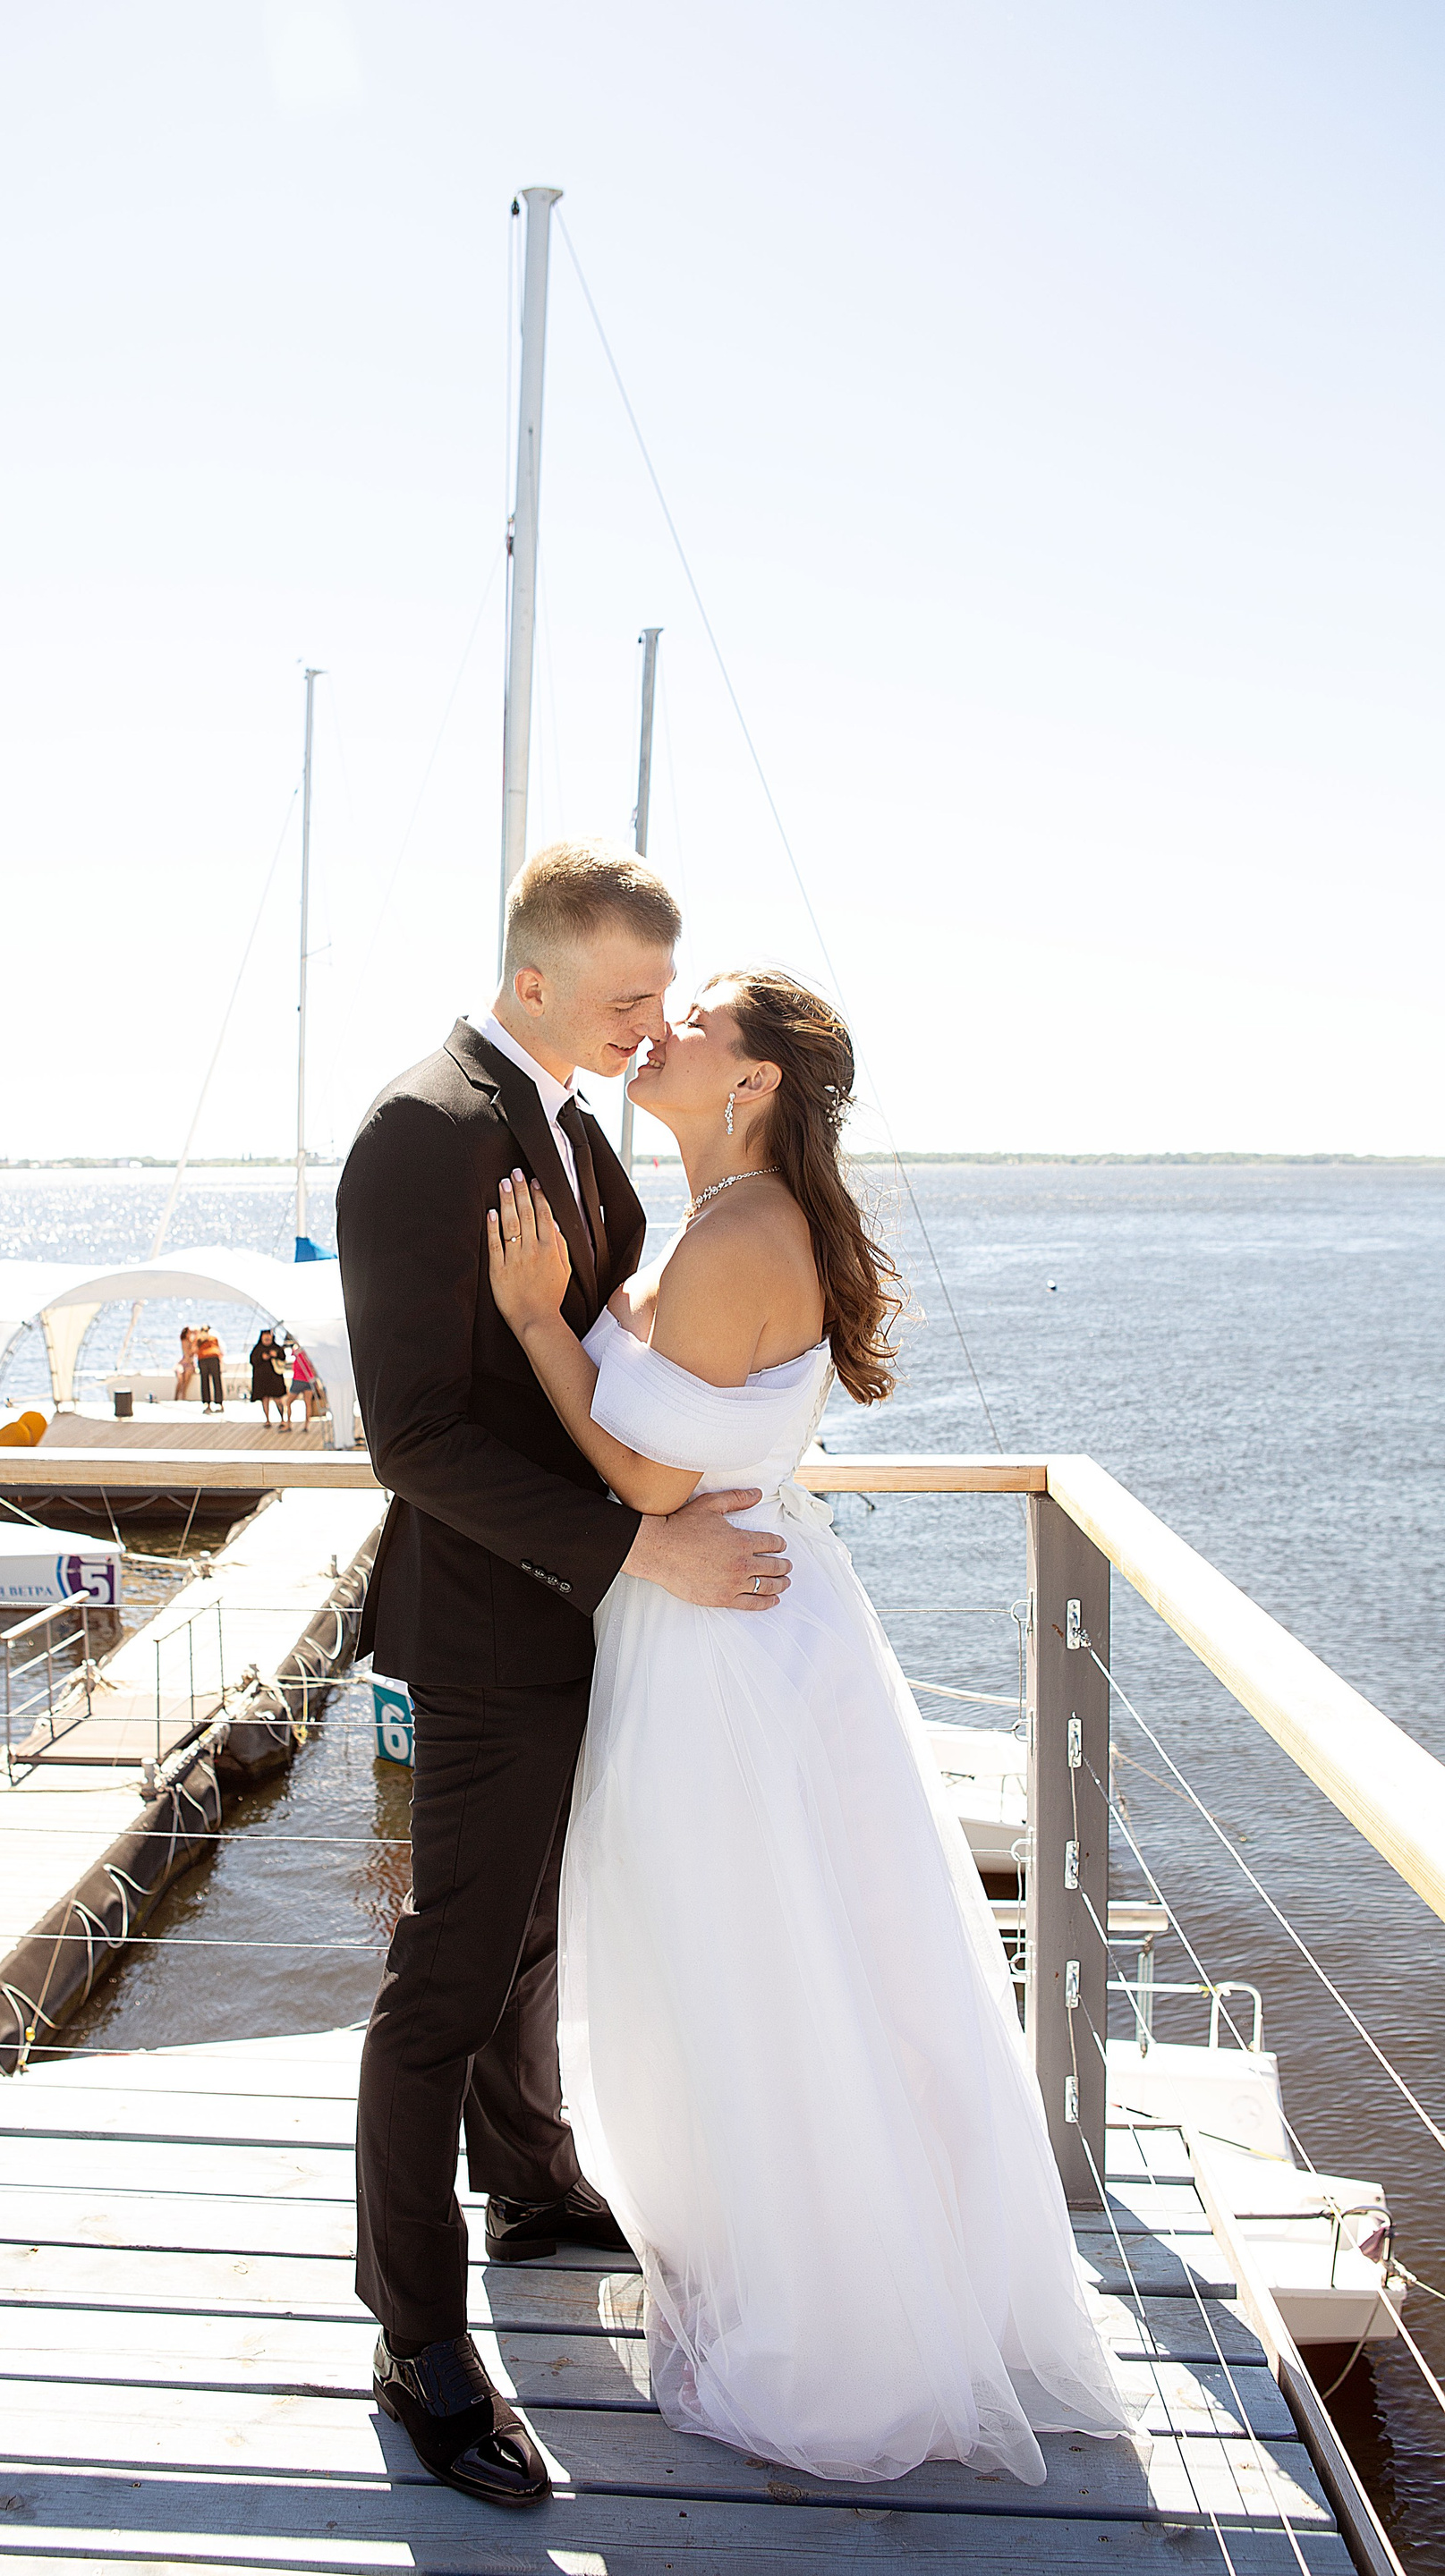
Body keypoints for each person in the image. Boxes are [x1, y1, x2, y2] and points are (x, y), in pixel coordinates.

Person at [483, 967, 1131, 2487]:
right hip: (733, 1622)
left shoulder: (737, 1236)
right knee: (777, 1963)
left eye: (698, 1018)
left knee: (753, 1967)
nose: (662, 1030)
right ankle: (806, 2263)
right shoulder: (727, 1219)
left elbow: (650, 1482)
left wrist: (531, 1322)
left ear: (755, 1077)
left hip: (722, 1647)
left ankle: (832, 2323)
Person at [336, 843, 793, 2511]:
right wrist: (641, 1551)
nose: (647, 1024)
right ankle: (415, 2340)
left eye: (664, 998)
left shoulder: (579, 1129)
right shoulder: (423, 1130)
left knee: (533, 1935)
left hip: (571, 1624)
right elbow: (414, 1439)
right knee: (442, 1978)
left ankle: (529, 2182)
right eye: (624, 998)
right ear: (530, 980)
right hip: (462, 1641)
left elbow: (597, 1366)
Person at [249, 1327, 288, 1428]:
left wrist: (276, 1355)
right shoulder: (257, 1349)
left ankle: (283, 1419)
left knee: (278, 1399)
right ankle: (267, 1420)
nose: (267, 1338)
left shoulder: (276, 1348)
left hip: (275, 1378)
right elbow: (252, 1360)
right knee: (265, 1399)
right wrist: (262, 1357)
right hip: (261, 1378)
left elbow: (283, 1357)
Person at [195, 1325, 224, 1412]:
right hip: (212, 1358)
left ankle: (208, 1404)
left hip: (203, 1359)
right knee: (216, 1381)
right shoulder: (213, 1339)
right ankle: (219, 1403)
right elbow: (220, 1350)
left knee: (205, 1381)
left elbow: (195, 1350)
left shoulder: (199, 1340)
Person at [174, 1326, 199, 1402]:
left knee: (187, 1376)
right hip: (184, 1362)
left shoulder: (193, 1342)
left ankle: (183, 1395)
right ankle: (176, 1396)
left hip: (190, 1364)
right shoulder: (185, 1341)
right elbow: (188, 1353)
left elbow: (193, 1352)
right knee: (180, 1378)